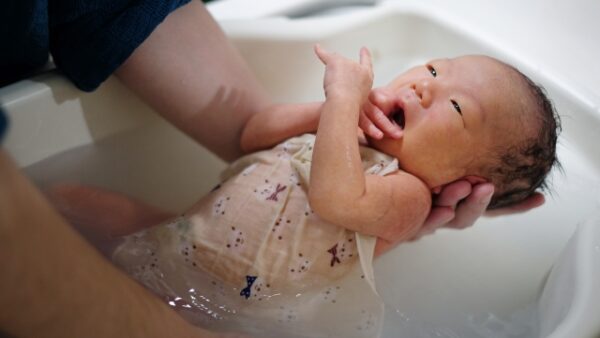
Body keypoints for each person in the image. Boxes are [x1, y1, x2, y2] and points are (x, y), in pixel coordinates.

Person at [0, 0, 545, 337]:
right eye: (433, 68)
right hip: (178, 238)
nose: (426, 84)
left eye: (454, 109)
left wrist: (336, 107)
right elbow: (254, 133)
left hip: (228, 303)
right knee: (70, 199)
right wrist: (324, 111)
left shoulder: (408, 196)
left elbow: (336, 199)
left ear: (457, 180)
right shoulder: (342, 127)